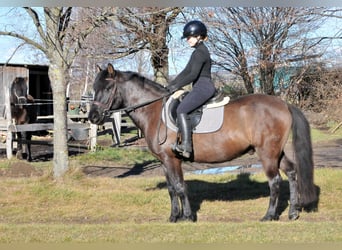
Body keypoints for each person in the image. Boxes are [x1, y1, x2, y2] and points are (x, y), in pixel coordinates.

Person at [167, 20, 216, 158]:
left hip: (203, 86)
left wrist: (177, 86)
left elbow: (193, 75)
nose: (187, 40)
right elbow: (185, 72)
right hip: (200, 86)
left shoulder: (200, 52)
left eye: (189, 37)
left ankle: (186, 146)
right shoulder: (197, 52)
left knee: (181, 109)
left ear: (199, 36)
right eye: (187, 38)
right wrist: (170, 85)